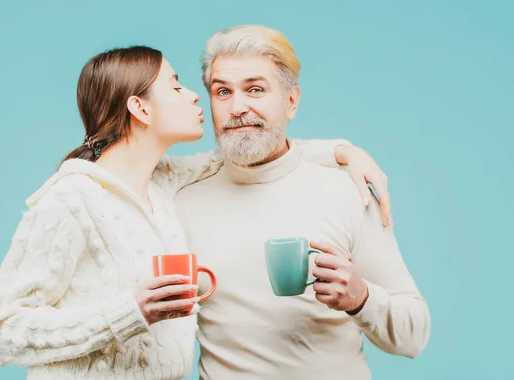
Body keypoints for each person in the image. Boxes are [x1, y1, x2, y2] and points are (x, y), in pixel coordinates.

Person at [0, 45, 391, 379]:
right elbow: (1, 332)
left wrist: (342, 151)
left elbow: (250, 145)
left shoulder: (166, 184)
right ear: (140, 109)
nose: (195, 95)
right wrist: (130, 313)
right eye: (175, 87)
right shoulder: (71, 198)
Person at [175, 25, 431, 380]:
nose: (237, 107)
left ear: (291, 101)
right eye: (222, 92)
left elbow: (414, 335)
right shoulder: (182, 199)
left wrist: (362, 299)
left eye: (255, 89)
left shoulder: (346, 191)